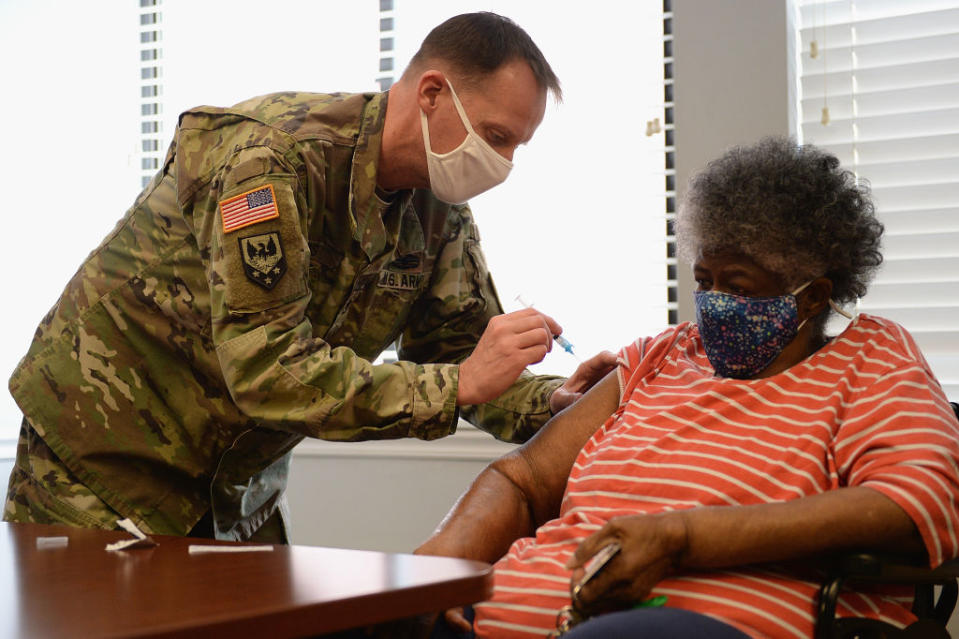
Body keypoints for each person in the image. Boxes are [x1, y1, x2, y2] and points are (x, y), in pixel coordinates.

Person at [3, 12, 614, 543]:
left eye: (516, 147)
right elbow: (269, 369)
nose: (502, 164)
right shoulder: (271, 158)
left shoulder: (438, 211)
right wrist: (454, 385)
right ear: (432, 93)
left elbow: (460, 356)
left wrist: (553, 402)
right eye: (496, 137)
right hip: (103, 458)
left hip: (236, 483)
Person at [416, 137, 959, 638]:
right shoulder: (661, 355)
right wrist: (433, 568)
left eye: (737, 284)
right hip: (514, 609)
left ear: (812, 296)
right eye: (705, 281)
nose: (713, 303)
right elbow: (524, 478)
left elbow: (912, 506)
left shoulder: (871, 359)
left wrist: (681, 538)